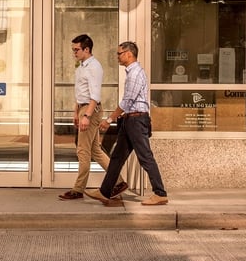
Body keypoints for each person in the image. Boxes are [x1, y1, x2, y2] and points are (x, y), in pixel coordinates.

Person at [85, 41, 169, 206]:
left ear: (129, 54)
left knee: (145, 157)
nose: (117, 56)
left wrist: (109, 120)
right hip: (130, 120)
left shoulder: (136, 73)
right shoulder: (132, 73)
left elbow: (127, 101)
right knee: (116, 158)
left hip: (136, 120)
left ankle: (160, 193)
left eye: (119, 53)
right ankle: (105, 192)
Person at [58, 34, 127, 201]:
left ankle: (78, 189)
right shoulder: (81, 66)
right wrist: (76, 112)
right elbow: (81, 92)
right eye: (73, 49)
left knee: (83, 150)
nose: (74, 52)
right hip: (83, 109)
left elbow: (94, 95)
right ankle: (118, 182)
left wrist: (87, 115)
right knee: (95, 150)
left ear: (86, 49)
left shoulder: (94, 67)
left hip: (91, 110)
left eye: (76, 49)